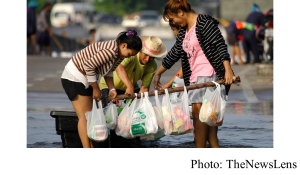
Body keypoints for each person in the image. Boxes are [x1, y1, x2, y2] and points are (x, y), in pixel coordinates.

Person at [153, 0, 235, 148]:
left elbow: (220, 44)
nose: (174, 22)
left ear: (180, 12)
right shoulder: (185, 30)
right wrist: (158, 73)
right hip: (194, 77)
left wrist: (228, 70)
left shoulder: (203, 22)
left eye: (172, 19)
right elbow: (175, 53)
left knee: (200, 117)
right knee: (208, 119)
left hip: (209, 74)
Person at [61, 30, 142, 148]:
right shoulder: (109, 51)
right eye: (129, 54)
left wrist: (112, 89)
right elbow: (88, 66)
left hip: (86, 78)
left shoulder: (119, 54)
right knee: (85, 117)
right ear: (124, 45)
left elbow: (108, 71)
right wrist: (96, 88)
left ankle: (91, 147)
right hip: (74, 77)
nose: (128, 56)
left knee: (89, 115)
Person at [99, 35, 166, 147]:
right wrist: (129, 85)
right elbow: (119, 67)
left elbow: (144, 87)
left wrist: (141, 105)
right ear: (141, 51)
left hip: (130, 88)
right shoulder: (132, 55)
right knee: (111, 119)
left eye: (152, 57)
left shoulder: (152, 66)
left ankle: (132, 142)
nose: (148, 59)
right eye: (146, 55)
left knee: (133, 117)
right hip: (110, 86)